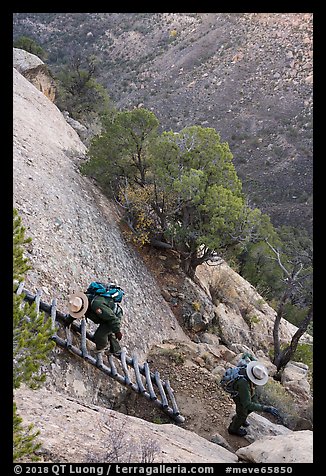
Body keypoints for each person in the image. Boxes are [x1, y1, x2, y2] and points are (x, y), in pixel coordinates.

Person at [66, 281, 125, 357]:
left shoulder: (96, 305)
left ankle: (103, 347)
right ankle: (115, 349)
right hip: (105, 316)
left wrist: (117, 331)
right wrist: (68, 321)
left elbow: (112, 318)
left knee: (99, 335)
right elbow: (76, 312)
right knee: (107, 330)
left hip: (114, 315)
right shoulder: (83, 300)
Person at [228, 361, 279, 437]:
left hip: (247, 391)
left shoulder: (251, 370)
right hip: (238, 394)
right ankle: (233, 429)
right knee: (242, 412)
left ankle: (237, 419)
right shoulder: (243, 384)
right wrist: (266, 408)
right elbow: (247, 404)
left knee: (254, 402)